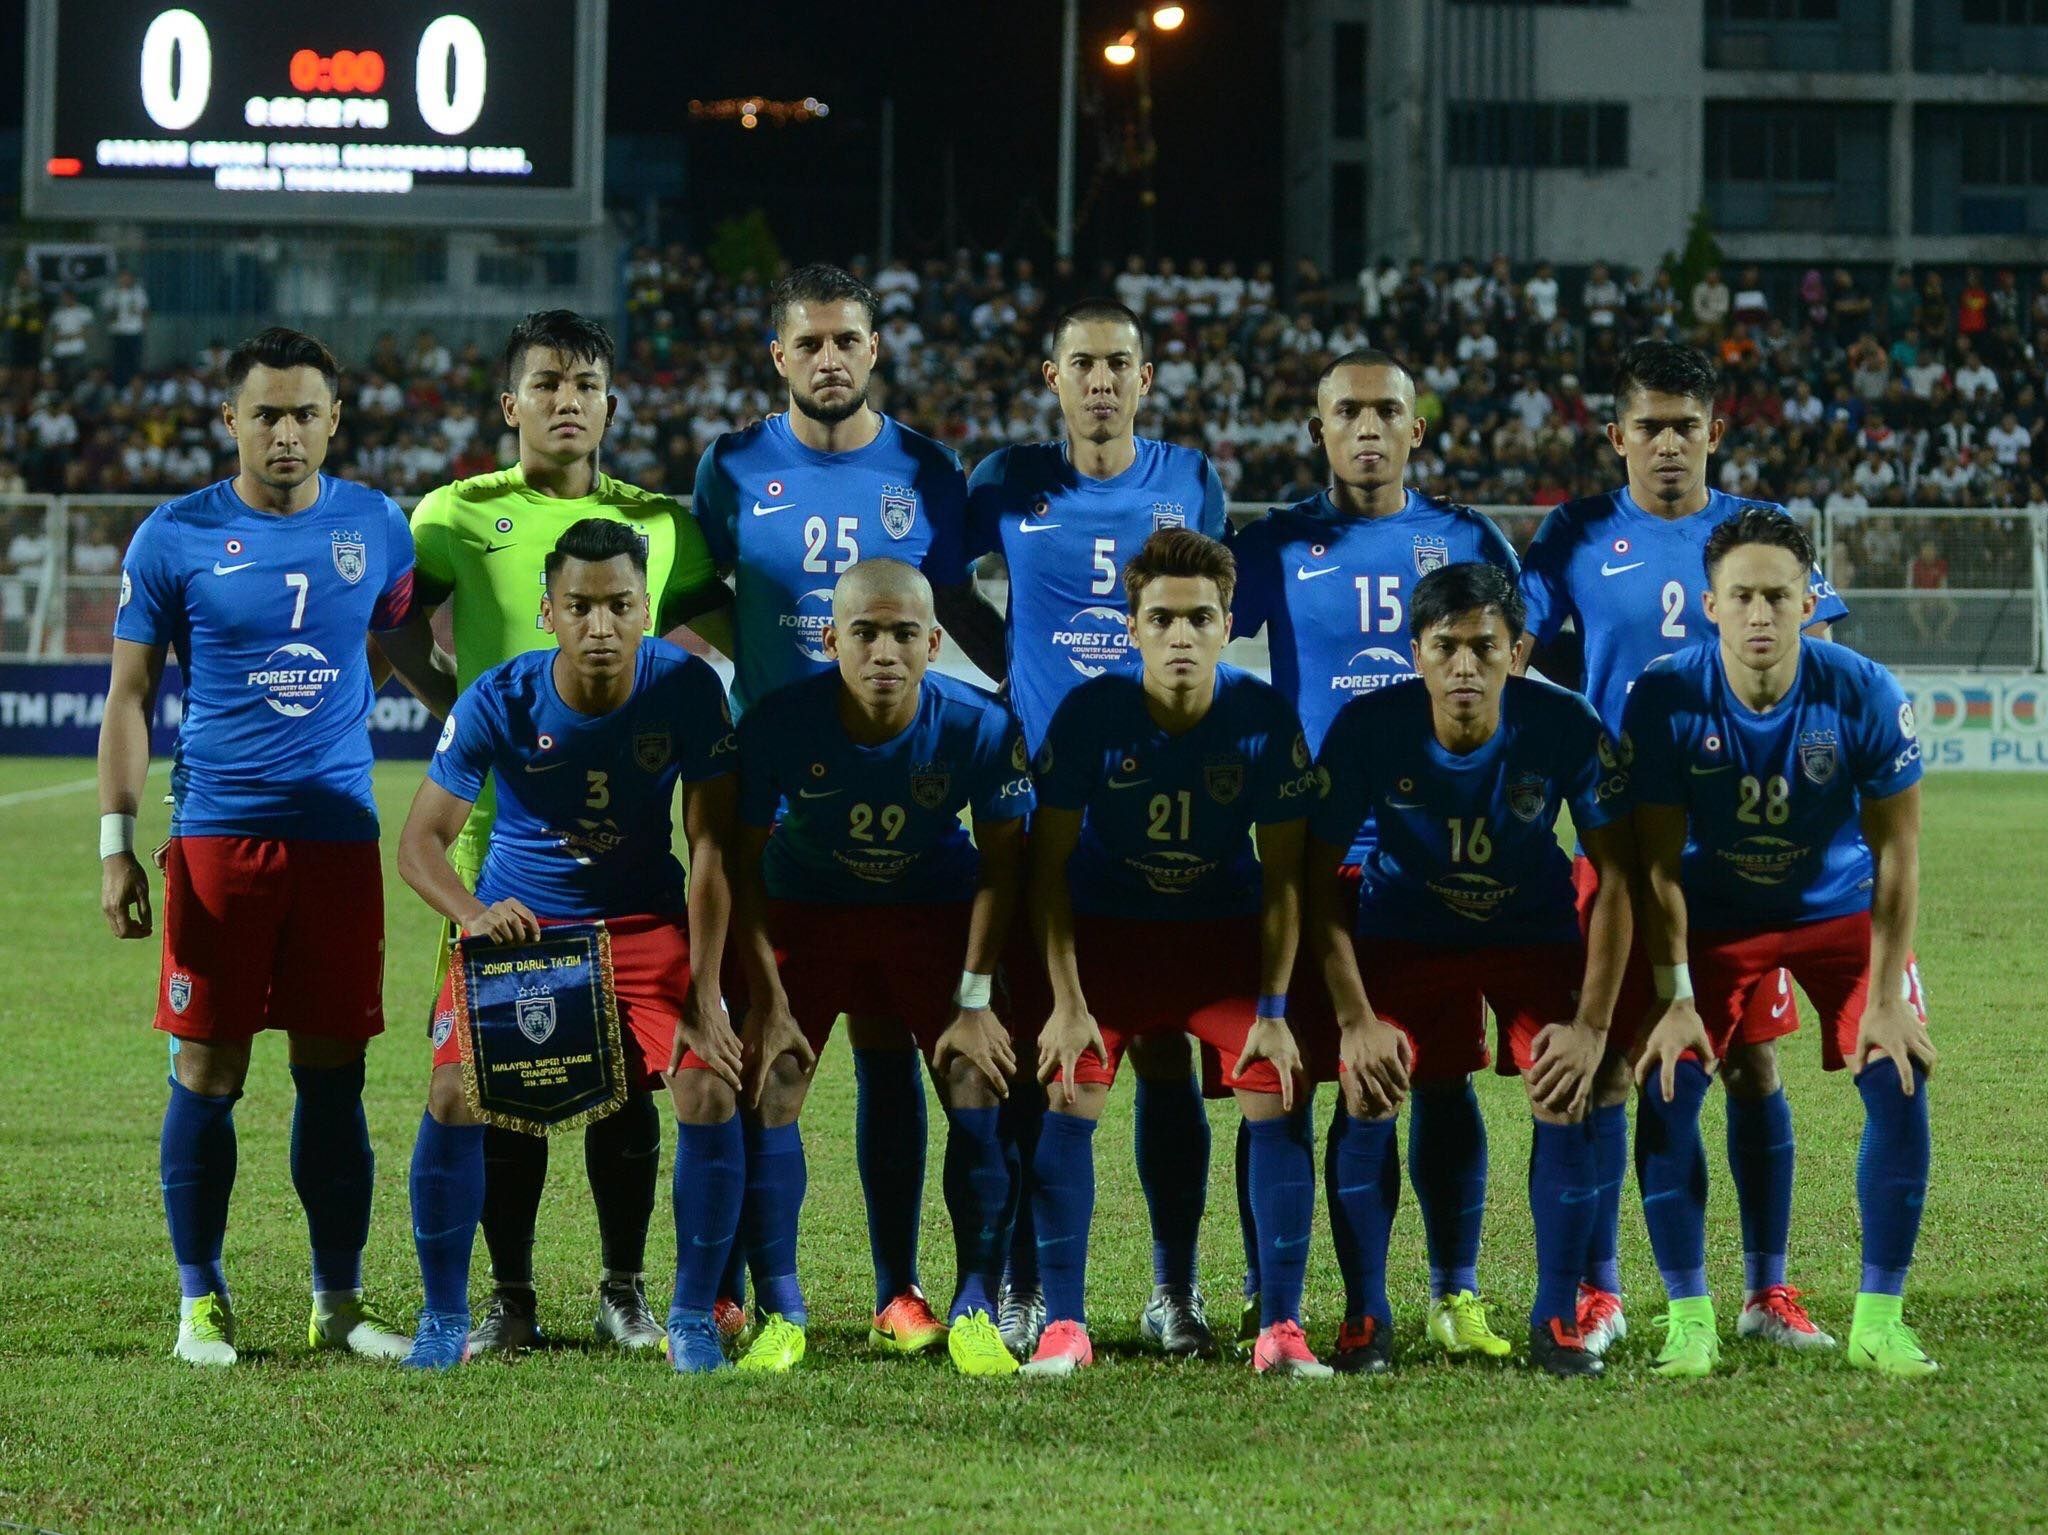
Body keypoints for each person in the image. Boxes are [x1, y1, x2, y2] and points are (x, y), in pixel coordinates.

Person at [376, 309, 731, 1356]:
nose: (566, 399)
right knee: (506, 1085)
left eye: (585, 383)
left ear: (610, 403)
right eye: (546, 383)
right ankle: (504, 1296)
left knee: (625, 1075)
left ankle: (631, 1289)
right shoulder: (453, 511)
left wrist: (638, 693)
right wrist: (459, 699)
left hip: (628, 847)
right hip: (502, 845)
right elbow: (394, 619)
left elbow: (713, 621)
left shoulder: (662, 523)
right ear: (511, 404)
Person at [691, 263, 1007, 1355]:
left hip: (904, 808)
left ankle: (900, 1287)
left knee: (888, 1051)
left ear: (873, 351)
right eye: (808, 342)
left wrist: (1024, 694)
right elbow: (697, 598)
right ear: (777, 356)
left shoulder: (926, 466)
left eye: (847, 341)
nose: (829, 358)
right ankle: (740, 1285)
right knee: (759, 1050)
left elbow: (954, 598)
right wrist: (783, 692)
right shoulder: (729, 465)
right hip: (779, 794)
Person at [96, 326, 422, 1366]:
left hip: (336, 840)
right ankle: (201, 1299)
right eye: (265, 413)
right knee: (206, 1064)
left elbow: (392, 632)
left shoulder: (377, 525)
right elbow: (131, 694)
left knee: (337, 1072)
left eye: (305, 413)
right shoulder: (172, 535)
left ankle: (338, 1299)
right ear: (229, 419)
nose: (285, 432)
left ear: (335, 420)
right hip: (216, 841)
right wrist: (117, 841)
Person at [1518, 340, 1849, 1357]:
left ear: (1715, 432)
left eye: (1685, 426)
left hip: (1741, 857)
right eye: (1648, 426)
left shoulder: (1753, 535)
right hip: (1621, 852)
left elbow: (1826, 651)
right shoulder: (1570, 535)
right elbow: (1509, 650)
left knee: (1750, 1066)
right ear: (1614, 436)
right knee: (1610, 1068)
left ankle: (1766, 1289)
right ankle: (1603, 1291)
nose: (1667, 444)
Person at [1224, 348, 1521, 1358]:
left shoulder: (1462, 537)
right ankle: (1321, 1303)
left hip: (1430, 858)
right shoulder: (1274, 544)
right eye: (1343, 411)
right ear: (1317, 428)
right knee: (1296, 1080)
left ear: (1413, 428)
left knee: (1438, 1074)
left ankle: (1454, 1289)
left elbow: (1514, 665)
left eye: (1382, 411)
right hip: (1312, 855)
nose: (1363, 427)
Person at [963, 296, 1229, 1359]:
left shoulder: (1188, 479)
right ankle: (1027, 1283)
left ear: (1146, 377)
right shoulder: (1004, 482)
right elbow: (943, 584)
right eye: (1084, 364)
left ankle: (1172, 1286)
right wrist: (1006, 670)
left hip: (1160, 803)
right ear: (1050, 375)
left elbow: (1203, 599)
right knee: (1041, 1050)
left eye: (1121, 363)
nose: (1103, 381)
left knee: (1164, 1046)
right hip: (1040, 807)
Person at [1624, 507, 1936, 1379]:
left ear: (1809, 602)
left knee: (1897, 1070)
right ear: (1709, 608)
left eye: (1778, 596)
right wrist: (1678, 996)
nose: (1760, 614)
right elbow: (1656, 865)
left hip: (1838, 910)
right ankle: (1691, 1318)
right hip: (1717, 915)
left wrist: (1883, 996)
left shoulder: (1865, 691)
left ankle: (1880, 1318)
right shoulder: (1666, 695)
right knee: (1671, 1077)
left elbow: (1898, 853)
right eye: (1742, 597)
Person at [1309, 562, 1631, 1376]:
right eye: (1445, 646)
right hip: (1406, 933)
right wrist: (1354, 1019)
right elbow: (1308, 879)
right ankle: (1365, 1316)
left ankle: (1557, 1318)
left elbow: (1619, 876)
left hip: (1530, 932)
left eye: (1484, 647)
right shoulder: (1367, 727)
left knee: (1566, 1085)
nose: (1464, 666)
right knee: (1368, 1085)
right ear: (1414, 650)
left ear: (1516, 651)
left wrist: (1591, 1026)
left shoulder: (1564, 724)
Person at [1019, 529, 1327, 1378]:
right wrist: (1068, 999)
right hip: (1110, 939)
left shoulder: (1262, 716)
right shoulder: (1090, 714)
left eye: (1200, 617)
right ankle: (1064, 1326)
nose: (1181, 635)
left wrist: (1271, 1008)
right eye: (1162, 618)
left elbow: (1286, 879)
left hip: (1219, 942)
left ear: (1231, 624)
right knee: (1070, 1087)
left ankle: (1281, 1328)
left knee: (1276, 1085)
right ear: (1133, 627)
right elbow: (1045, 869)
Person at [725, 559, 1034, 1376]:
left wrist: (974, 998)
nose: (885, 651)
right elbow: (738, 866)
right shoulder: (778, 722)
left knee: (976, 1073)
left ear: (935, 642)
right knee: (775, 1074)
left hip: (929, 913)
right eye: (864, 631)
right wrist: (765, 996)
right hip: (806, 909)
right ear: (831, 639)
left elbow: (1005, 867)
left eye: (904, 633)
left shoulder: (980, 725)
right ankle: (780, 1310)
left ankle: (970, 1305)